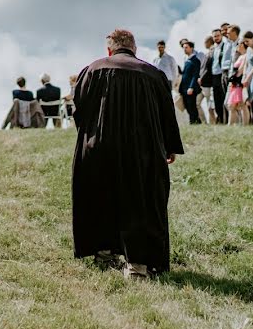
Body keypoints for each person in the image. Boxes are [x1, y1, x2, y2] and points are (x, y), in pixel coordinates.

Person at [71, 29, 183, 279]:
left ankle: (104, 251)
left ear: (109, 50)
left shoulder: (93, 69)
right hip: (142, 149)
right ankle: (138, 266)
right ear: (135, 49)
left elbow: (80, 108)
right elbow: (167, 114)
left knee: (101, 196)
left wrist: (90, 138)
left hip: (99, 147)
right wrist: (169, 146)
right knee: (140, 201)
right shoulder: (153, 74)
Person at [179, 41, 202, 124]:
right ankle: (196, 121)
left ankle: (194, 122)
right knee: (187, 106)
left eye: (186, 47)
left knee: (192, 106)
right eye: (183, 48)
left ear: (191, 48)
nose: (184, 49)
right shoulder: (186, 60)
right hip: (184, 88)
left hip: (191, 88)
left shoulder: (195, 60)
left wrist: (191, 87)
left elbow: (195, 75)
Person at [226, 41, 249, 125]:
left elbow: (241, 69)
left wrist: (233, 77)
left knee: (242, 105)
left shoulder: (245, 56)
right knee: (232, 106)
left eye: (239, 45)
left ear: (243, 45)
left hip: (239, 83)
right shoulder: (240, 56)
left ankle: (245, 125)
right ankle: (231, 125)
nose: (238, 46)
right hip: (235, 84)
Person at [210, 28, 226, 124]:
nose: (216, 38)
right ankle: (220, 119)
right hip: (214, 76)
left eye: (218, 36)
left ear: (221, 36)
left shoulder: (225, 46)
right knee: (216, 100)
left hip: (222, 75)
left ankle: (226, 120)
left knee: (224, 98)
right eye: (214, 36)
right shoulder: (212, 48)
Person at [198, 36, 216, 124]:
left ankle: (212, 123)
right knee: (198, 103)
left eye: (205, 41)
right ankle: (205, 122)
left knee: (210, 105)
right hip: (203, 84)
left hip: (208, 83)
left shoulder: (212, 52)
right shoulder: (207, 53)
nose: (204, 44)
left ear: (209, 42)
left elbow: (208, 69)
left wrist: (202, 78)